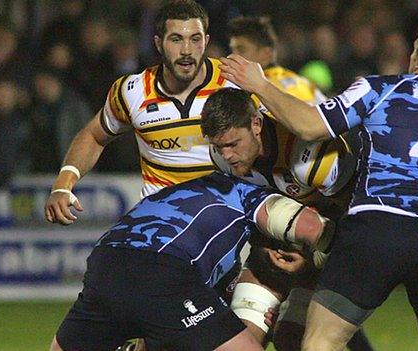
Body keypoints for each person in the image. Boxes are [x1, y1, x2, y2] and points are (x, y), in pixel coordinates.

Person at [220, 21, 418, 350]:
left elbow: (309, 126)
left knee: (318, 341)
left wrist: (259, 84)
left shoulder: (382, 88)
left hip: (377, 225)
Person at [49, 171, 334, 351]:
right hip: (161, 269)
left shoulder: (185, 194)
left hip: (106, 260)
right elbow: (312, 229)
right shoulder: (244, 194)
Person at [202, 87, 374, 351]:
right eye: (218, 146)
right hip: (270, 254)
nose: (226, 155)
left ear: (256, 124)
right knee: (241, 341)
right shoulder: (222, 159)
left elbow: (357, 220)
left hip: (325, 255)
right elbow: (250, 208)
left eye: (233, 144)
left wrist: (311, 260)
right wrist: (263, 248)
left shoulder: (309, 156)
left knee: (291, 340)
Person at [44, 0, 238, 225]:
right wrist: (62, 185)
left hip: (223, 224)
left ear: (206, 42)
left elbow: (274, 139)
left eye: (195, 40)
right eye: (176, 39)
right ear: (158, 43)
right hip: (160, 227)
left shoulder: (234, 83)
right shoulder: (133, 91)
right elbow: (94, 135)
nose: (186, 50)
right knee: (102, 258)